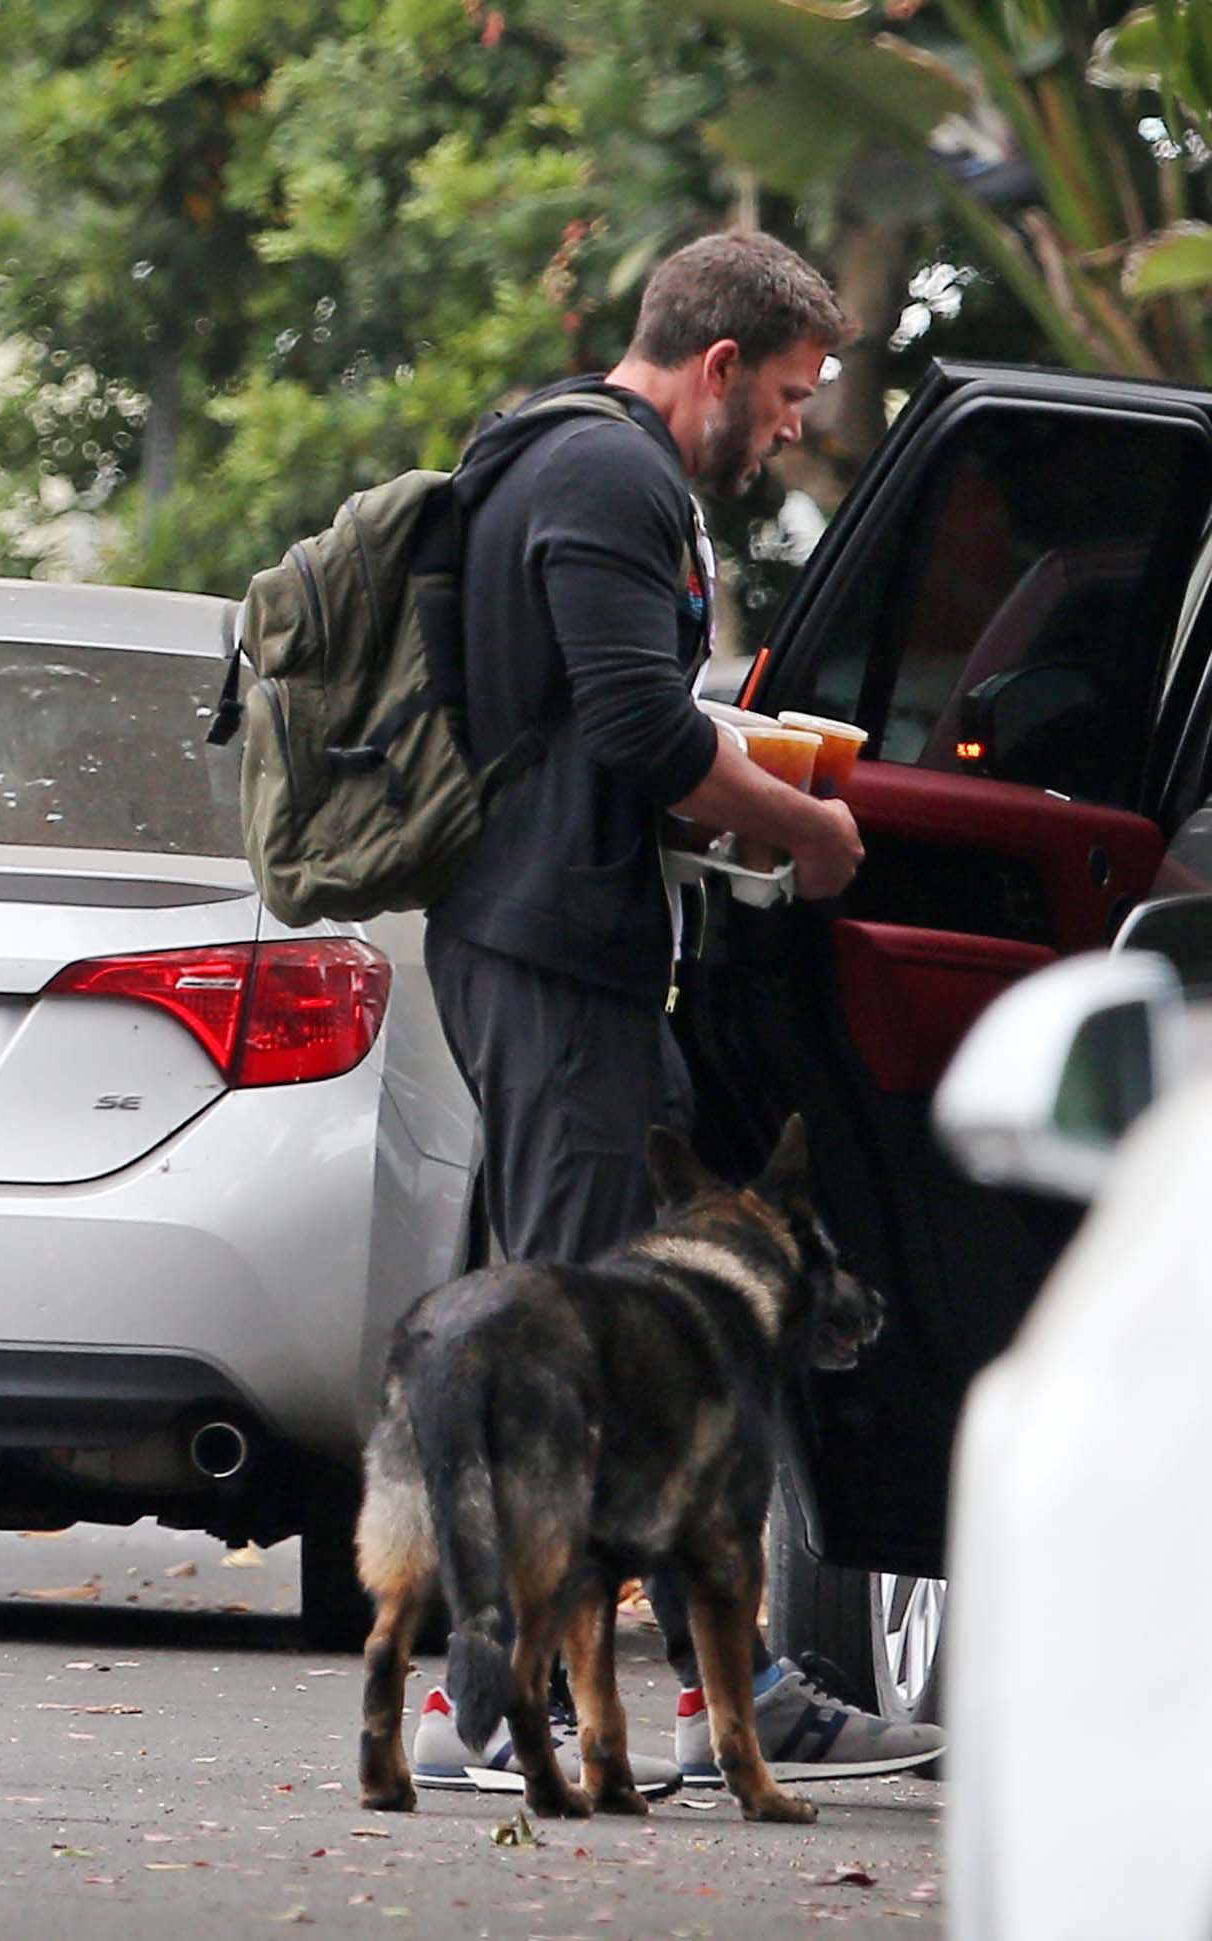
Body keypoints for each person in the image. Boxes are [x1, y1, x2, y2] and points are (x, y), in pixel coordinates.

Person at [408, 230, 943, 1791]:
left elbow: (606, 722)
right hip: (550, 955)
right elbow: (641, 729)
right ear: (718, 364)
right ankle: (501, 1711)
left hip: (559, 953)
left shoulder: (578, 466)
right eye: (785, 395)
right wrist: (810, 830)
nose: (790, 426)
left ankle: (698, 1692)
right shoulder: (611, 479)